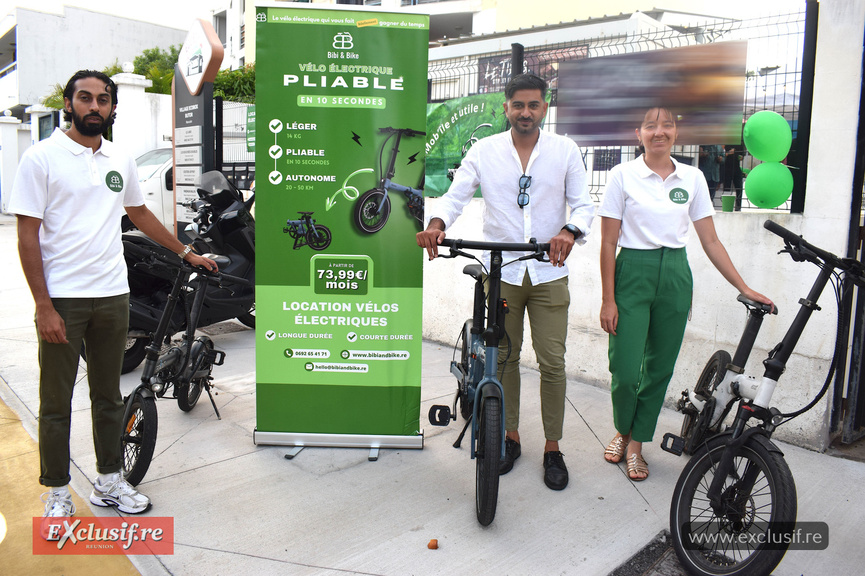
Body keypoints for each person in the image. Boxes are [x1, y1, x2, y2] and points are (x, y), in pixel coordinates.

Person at [8, 70, 216, 528]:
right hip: (64, 298)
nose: (94, 106)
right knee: (56, 399)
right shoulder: (42, 159)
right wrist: (43, 305)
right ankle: (58, 490)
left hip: (112, 293)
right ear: (68, 103)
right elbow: (27, 237)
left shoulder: (119, 158)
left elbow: (138, 212)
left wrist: (186, 252)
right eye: (85, 98)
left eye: (103, 99)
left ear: (112, 108)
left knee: (107, 394)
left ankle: (109, 478)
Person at [417, 73, 594, 491]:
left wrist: (568, 231)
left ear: (544, 108)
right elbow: (456, 194)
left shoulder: (565, 150)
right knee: (505, 360)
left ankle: (553, 447)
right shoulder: (485, 150)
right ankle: (510, 438)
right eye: (518, 105)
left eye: (534, 105)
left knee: (553, 362)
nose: (526, 113)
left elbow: (585, 204)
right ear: (506, 108)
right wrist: (438, 223)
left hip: (548, 271)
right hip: (503, 273)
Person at [597, 107, 772, 481]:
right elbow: (608, 241)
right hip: (632, 273)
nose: (659, 132)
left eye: (667, 126)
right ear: (638, 133)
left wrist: (743, 287)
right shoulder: (621, 176)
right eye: (650, 126)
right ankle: (622, 427)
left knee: (659, 369)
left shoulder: (691, 178)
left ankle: (635, 444)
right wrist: (608, 298)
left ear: (676, 133)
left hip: (675, 275)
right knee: (626, 370)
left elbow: (710, 240)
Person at [723, 143, 746, 210]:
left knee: (739, 187)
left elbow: (742, 155)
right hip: (727, 167)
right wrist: (729, 153)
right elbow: (721, 154)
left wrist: (741, 157)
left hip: (736, 167)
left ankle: (738, 206)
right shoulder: (726, 142)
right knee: (727, 187)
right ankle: (726, 206)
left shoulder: (740, 144)